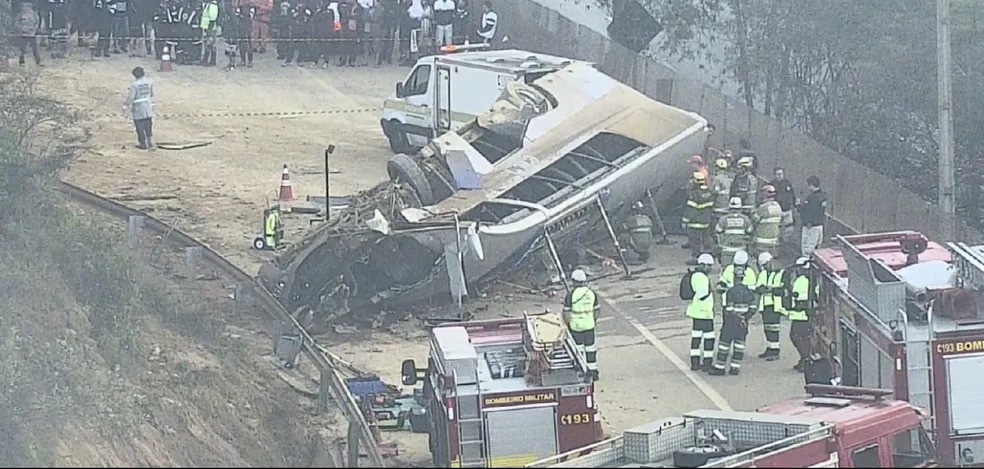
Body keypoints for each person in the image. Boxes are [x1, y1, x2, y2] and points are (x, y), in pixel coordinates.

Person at [708, 267, 756, 376]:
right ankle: (735, 368)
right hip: (743, 324)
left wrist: (737, 318)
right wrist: (745, 318)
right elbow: (753, 308)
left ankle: (720, 367)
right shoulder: (749, 292)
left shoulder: (731, 291)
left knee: (724, 345)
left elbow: (729, 309)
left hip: (731, 323)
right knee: (739, 346)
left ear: (734, 277)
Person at [563, 269, 600, 381]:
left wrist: (568, 325)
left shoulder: (571, 295)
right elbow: (597, 311)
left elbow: (566, 313)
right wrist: (592, 321)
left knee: (578, 351)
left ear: (574, 281)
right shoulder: (591, 293)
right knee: (591, 349)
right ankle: (593, 371)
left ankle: (581, 371)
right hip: (589, 326)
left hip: (576, 327)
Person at [784, 257, 815, 372]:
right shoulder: (808, 279)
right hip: (801, 314)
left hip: (802, 314)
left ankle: (806, 359)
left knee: (798, 337)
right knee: (800, 337)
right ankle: (804, 358)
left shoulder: (803, 280)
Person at [686, 253, 716, 371]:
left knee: (696, 338)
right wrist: (711, 289)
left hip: (696, 312)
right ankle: (707, 363)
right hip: (704, 313)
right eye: (709, 266)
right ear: (703, 265)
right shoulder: (702, 278)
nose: (710, 268)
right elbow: (702, 295)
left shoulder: (695, 275)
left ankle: (695, 362)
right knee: (709, 338)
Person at [755, 252, 784, 361]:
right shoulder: (763, 274)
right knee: (767, 328)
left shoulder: (780, 273)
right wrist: (766, 289)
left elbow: (781, 288)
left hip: (775, 304)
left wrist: (769, 289)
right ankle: (770, 348)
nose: (765, 267)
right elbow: (759, 288)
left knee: (774, 328)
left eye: (766, 264)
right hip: (765, 304)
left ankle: (775, 351)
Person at [683, 171, 714, 265]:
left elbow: (691, 210)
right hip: (706, 222)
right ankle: (707, 257)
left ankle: (696, 258)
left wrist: (685, 221)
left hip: (695, 223)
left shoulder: (694, 194)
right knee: (706, 241)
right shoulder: (708, 192)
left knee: (695, 242)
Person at [122, 66, 155, 150]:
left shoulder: (135, 85)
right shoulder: (149, 82)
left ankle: (143, 143)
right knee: (148, 123)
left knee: (139, 125)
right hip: (147, 106)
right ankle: (150, 140)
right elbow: (151, 94)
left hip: (138, 107)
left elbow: (131, 97)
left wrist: (126, 105)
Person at [714, 197, 753, 266]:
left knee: (726, 269)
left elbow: (718, 232)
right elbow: (750, 232)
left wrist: (720, 245)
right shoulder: (745, 219)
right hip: (741, 249)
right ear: (740, 208)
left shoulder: (723, 219)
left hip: (727, 249)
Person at [798, 175, 827, 258]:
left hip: (811, 227)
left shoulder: (812, 198)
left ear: (811, 185)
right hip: (820, 225)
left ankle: (806, 263)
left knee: (807, 248)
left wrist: (799, 206)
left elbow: (808, 211)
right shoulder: (823, 196)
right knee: (817, 249)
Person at [752, 185, 783, 259]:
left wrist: (753, 212)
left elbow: (754, 220)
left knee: (761, 259)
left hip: (762, 239)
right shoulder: (778, 206)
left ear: (765, 194)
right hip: (774, 239)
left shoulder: (763, 207)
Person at [769, 167, 796, 251]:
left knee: (789, 229)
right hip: (777, 211)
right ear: (774, 175)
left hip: (787, 210)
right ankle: (776, 247)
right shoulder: (771, 185)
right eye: (778, 174)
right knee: (777, 229)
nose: (780, 176)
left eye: (781, 174)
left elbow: (792, 194)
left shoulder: (787, 183)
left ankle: (785, 246)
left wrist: (794, 204)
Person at [14, 0, 43, 66]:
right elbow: (16, 23)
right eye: (24, 6)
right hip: (23, 34)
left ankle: (38, 61)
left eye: (28, 6)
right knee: (22, 48)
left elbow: (37, 22)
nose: (25, 7)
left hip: (32, 33)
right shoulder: (20, 14)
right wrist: (21, 28)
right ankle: (21, 62)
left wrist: (34, 29)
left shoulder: (34, 14)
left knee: (35, 48)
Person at [199, 0, 219, 65]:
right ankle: (207, 59)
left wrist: (209, 29)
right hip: (207, 27)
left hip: (210, 28)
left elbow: (212, 18)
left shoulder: (213, 5)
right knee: (208, 43)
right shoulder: (209, 4)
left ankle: (210, 60)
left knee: (210, 43)